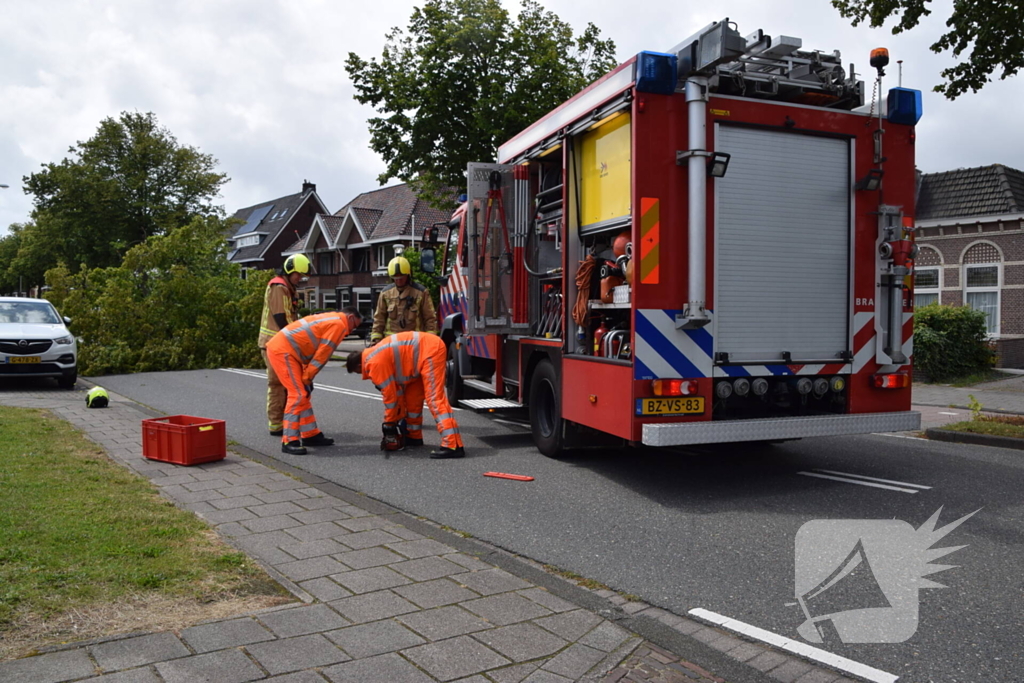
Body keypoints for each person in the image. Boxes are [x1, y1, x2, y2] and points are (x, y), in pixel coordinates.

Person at [346, 331, 465, 459]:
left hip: (430, 350)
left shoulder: (373, 364)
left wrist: (389, 423)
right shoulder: (373, 357)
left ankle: (453, 445)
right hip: (422, 355)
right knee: (412, 401)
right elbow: (398, 395)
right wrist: (396, 418)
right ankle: (413, 437)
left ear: (359, 365)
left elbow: (390, 398)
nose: (362, 375)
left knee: (435, 399)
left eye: (358, 372)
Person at [266, 307, 363, 455]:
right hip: (284, 352)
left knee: (303, 393)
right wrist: (308, 376)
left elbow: (307, 344)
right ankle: (289, 440)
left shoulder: (332, 319)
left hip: (288, 350)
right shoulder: (339, 324)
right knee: (298, 395)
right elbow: (322, 355)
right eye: (354, 326)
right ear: (350, 318)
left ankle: (310, 435)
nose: (351, 331)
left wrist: (307, 375)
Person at [258, 254, 312, 437]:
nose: (300, 278)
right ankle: (276, 424)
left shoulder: (290, 289)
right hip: (272, 343)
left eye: (302, 275)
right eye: (298, 274)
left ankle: (286, 422)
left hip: (283, 344)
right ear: (289, 270)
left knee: (287, 385)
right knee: (277, 385)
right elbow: (281, 319)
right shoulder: (278, 287)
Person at [370, 256, 439, 343]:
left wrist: (431, 340)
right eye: (395, 278)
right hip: (391, 343)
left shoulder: (421, 292)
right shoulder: (385, 293)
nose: (398, 281)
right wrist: (376, 339)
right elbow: (379, 318)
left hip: (414, 343)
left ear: (408, 275)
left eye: (401, 278)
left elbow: (430, 318)